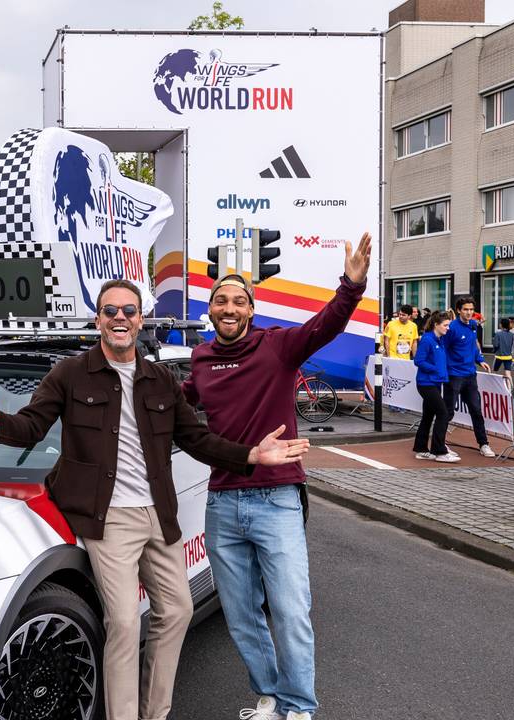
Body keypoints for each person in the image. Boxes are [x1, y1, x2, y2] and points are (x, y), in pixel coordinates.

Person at [0, 279, 309, 720]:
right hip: (108, 518)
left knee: (177, 610)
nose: (120, 318)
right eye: (110, 311)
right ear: (98, 321)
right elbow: (32, 425)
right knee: (124, 622)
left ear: (140, 319)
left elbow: (197, 438)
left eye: (128, 310)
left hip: (158, 514)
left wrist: (252, 455)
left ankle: (154, 713)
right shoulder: (69, 374)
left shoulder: (159, 379)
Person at [182, 232, 371, 720]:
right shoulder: (201, 359)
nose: (229, 308)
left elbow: (326, 325)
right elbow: (180, 403)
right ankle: (269, 695)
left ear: (251, 308)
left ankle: (300, 707)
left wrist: (351, 285)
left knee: (289, 610)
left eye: (238, 300)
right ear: (210, 309)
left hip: (277, 497)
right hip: (222, 501)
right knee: (241, 616)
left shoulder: (278, 347)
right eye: (221, 300)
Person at [444, 296, 494, 457]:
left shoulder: (473, 325)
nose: (469, 312)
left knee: (476, 410)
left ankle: (484, 444)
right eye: (465, 309)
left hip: (470, 375)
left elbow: (473, 346)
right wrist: (444, 370)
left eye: (471, 309)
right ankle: (440, 443)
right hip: (454, 375)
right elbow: (443, 348)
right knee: (448, 412)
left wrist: (480, 360)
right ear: (458, 310)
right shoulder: (451, 328)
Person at [413, 311, 457, 462]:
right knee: (443, 414)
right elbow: (418, 360)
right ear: (436, 325)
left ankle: (421, 449)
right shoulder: (427, 340)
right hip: (426, 383)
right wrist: (435, 369)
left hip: (435, 382)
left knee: (428, 416)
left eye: (448, 325)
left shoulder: (440, 339)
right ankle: (439, 451)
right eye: (445, 325)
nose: (448, 328)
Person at [492, 317, 514, 386]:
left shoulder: (498, 334)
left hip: (499, 356)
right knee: (508, 374)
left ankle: (495, 386)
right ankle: (510, 388)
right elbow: (512, 344)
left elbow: (496, 345)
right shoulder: (511, 334)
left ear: (501, 325)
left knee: (494, 372)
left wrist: (494, 350)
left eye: (500, 323)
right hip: (508, 357)